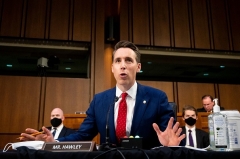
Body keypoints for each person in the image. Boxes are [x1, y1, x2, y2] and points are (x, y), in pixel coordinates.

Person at [20, 40, 185, 149]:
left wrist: (171, 146)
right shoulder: (100, 100)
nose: (123, 66)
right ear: (112, 67)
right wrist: (54, 143)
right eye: (118, 61)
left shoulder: (157, 98)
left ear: (138, 66)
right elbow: (83, 135)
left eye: (129, 60)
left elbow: (171, 137)